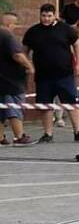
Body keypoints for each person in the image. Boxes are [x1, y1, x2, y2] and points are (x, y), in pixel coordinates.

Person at [22, 4, 79, 143]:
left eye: (49, 16)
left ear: (54, 15)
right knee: (46, 106)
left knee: (71, 103)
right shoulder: (33, 32)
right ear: (40, 15)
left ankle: (78, 131)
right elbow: (24, 51)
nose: (46, 19)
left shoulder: (65, 29)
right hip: (43, 76)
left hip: (65, 74)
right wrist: (27, 65)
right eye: (44, 16)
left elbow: (77, 45)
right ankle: (48, 134)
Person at [0, 12, 33, 145]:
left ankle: (1, 137)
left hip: (1, 80)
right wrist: (30, 66)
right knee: (14, 108)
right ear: (10, 24)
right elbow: (17, 55)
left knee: (1, 110)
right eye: (15, 24)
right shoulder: (7, 36)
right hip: (11, 81)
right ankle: (19, 136)